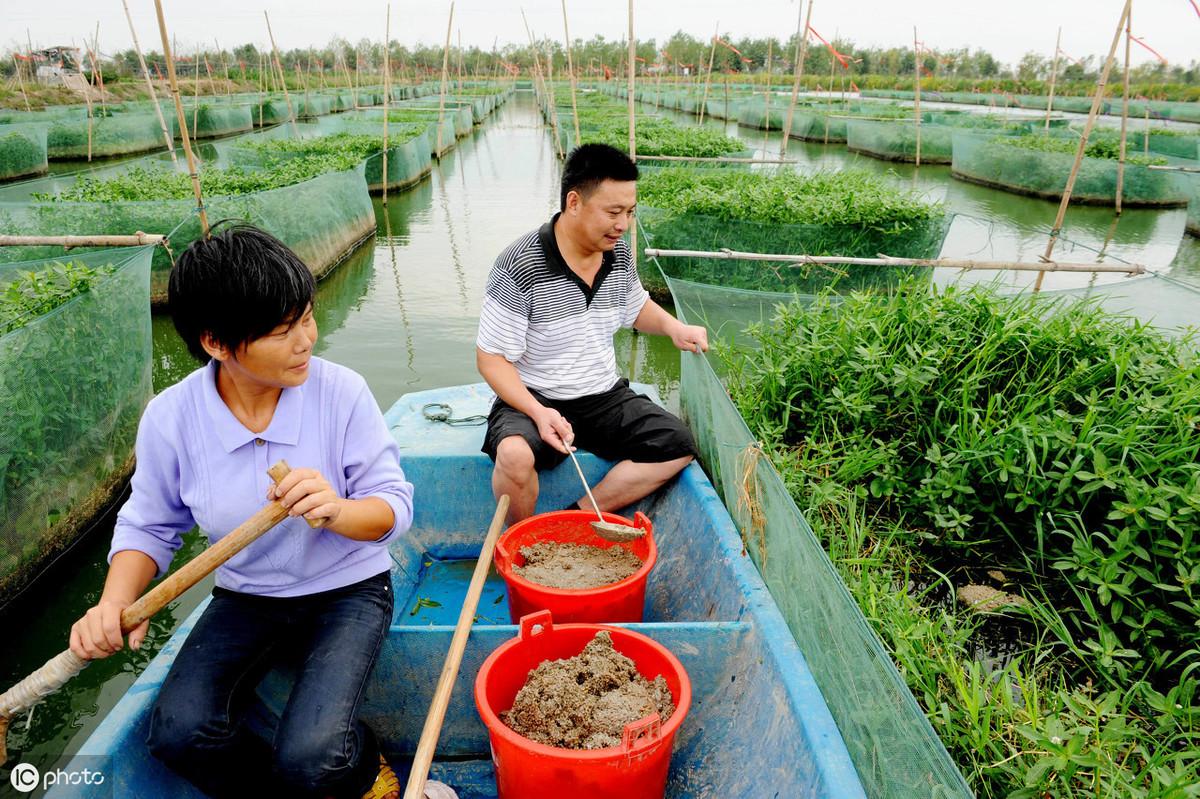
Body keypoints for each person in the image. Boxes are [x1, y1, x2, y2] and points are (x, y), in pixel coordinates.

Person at [68, 225, 453, 799]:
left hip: (348, 589)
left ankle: (362, 768)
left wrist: (337, 511)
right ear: (217, 343)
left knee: (313, 757)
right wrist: (114, 603)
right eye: (282, 331)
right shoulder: (172, 418)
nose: (306, 340)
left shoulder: (340, 392)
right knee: (178, 734)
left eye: (306, 318)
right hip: (247, 595)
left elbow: (392, 509)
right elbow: (151, 524)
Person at [477, 143, 709, 524]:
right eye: (613, 212)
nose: (623, 224)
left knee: (677, 445)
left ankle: (578, 516)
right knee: (515, 455)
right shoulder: (520, 263)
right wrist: (537, 411)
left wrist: (672, 327)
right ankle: (523, 537)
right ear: (574, 202)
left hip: (602, 395)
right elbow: (490, 359)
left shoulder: (617, 254)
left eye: (630, 212)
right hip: (534, 394)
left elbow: (634, 307)